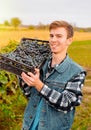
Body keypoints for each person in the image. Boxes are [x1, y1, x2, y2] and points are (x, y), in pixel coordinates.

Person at [19, 20, 86, 130]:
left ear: (69, 40)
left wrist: (38, 84)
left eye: (59, 36)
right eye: (51, 35)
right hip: (29, 125)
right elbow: (29, 95)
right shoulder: (40, 65)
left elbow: (66, 103)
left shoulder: (76, 72)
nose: (53, 40)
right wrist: (24, 79)